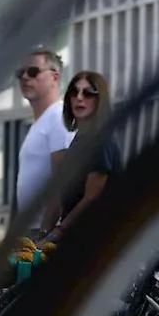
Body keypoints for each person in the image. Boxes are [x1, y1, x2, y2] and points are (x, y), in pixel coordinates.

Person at [46, 71, 121, 242]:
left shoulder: (101, 139)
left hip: (97, 238)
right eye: (74, 92)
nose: (79, 98)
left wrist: (58, 232)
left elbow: (91, 197)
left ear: (99, 100)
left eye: (88, 93)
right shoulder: (80, 138)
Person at [15, 49, 76, 238]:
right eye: (20, 73)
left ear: (54, 77)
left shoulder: (58, 117)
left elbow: (62, 181)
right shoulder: (40, 123)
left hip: (47, 232)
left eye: (33, 72)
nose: (25, 77)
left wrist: (45, 232)